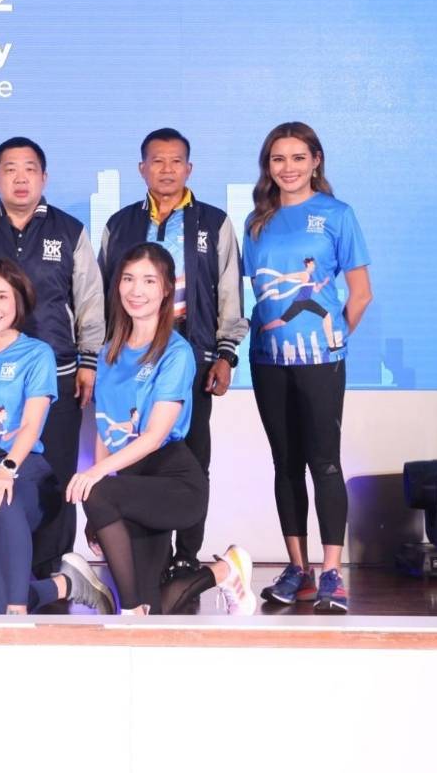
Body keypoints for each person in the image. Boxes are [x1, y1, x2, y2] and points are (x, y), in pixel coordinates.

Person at [68, 243, 256, 616]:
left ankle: (129, 613)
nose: (136, 290)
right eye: (128, 279)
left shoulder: (176, 353)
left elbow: (154, 437)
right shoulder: (107, 354)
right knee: (155, 606)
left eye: (148, 281)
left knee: (133, 603)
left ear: (167, 288)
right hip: (132, 484)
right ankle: (226, 571)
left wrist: (96, 480)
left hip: (174, 482)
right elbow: (105, 430)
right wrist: (100, 502)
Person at [99, 128, 247, 588]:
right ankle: (146, 550)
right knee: (134, 447)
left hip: (192, 353)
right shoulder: (120, 224)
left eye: (176, 161)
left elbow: (229, 291)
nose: (167, 170)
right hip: (132, 350)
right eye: (157, 161)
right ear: (141, 168)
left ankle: (187, 555)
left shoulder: (213, 222)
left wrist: (225, 354)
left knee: (190, 455)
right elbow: (106, 292)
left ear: (189, 168)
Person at [0, 136, 103, 580]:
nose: (20, 178)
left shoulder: (69, 231)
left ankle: (52, 570)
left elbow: (89, 300)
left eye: (29, 169)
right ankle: (4, 566)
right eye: (10, 169)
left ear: (44, 177)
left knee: (52, 474)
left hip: (57, 372)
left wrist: (89, 361)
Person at [244, 122, 371, 613]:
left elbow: (360, 294)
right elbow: (259, 292)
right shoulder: (257, 222)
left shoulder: (338, 215)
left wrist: (333, 341)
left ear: (316, 160)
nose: (288, 168)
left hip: (321, 361)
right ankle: (298, 569)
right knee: (285, 463)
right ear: (268, 166)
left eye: (298, 157)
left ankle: (332, 572)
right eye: (278, 159)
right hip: (267, 359)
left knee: (325, 462)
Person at [0, 260, 116, 615]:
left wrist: (6, 469)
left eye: (1, 296)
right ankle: (67, 584)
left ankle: (18, 611)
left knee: (3, 502)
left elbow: (31, 425)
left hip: (23, 472)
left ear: (19, 301)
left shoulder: (36, 353)